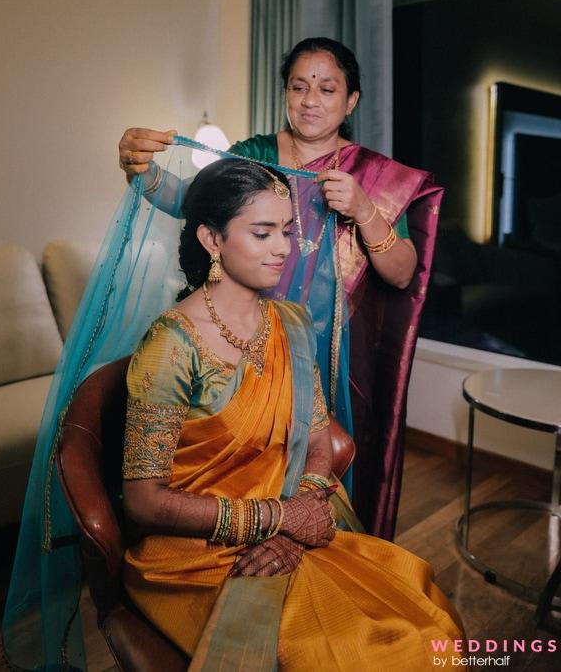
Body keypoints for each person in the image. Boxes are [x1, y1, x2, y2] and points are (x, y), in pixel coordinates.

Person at [122, 157, 462, 670]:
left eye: (286, 230)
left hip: (293, 527)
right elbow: (143, 501)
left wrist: (293, 523)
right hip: (199, 553)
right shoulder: (171, 345)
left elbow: (319, 441)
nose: (283, 248)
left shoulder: (291, 322)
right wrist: (275, 520)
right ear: (212, 240)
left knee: (423, 627)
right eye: (262, 233)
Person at [118, 37, 444, 539]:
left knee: (321, 460)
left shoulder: (370, 176)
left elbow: (402, 274)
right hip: (244, 332)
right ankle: (260, 534)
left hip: (331, 348)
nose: (311, 100)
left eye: (327, 88)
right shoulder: (255, 155)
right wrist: (142, 173)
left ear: (351, 100)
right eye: (299, 86)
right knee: (240, 456)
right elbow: (196, 204)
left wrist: (362, 209)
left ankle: (310, 536)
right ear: (285, 94)